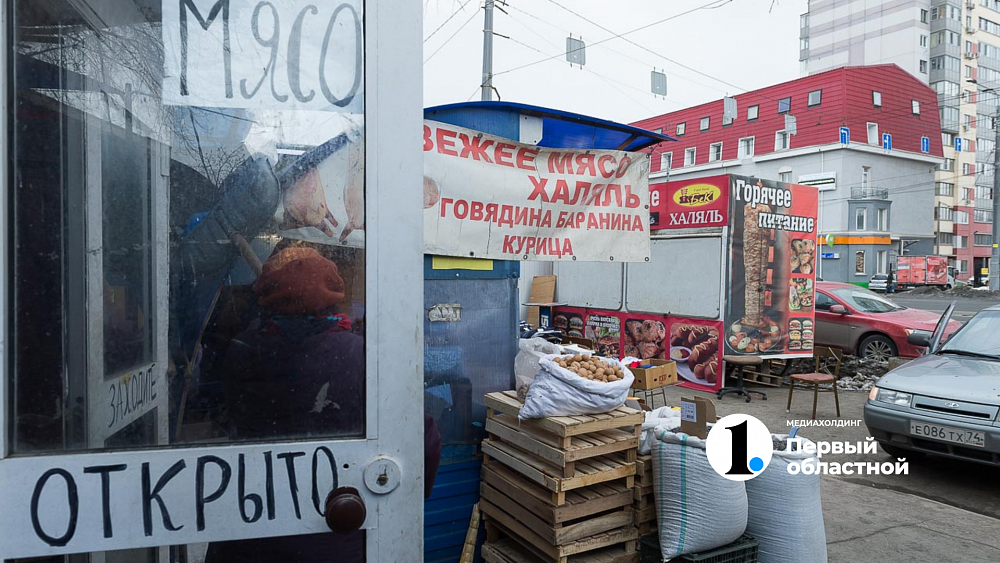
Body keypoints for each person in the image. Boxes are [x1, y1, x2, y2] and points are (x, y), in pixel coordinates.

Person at [206, 247, 441, 563]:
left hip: (247, 530)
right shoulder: (363, 358)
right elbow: (422, 442)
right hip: (335, 537)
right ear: (334, 296)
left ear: (266, 296)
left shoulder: (242, 350)